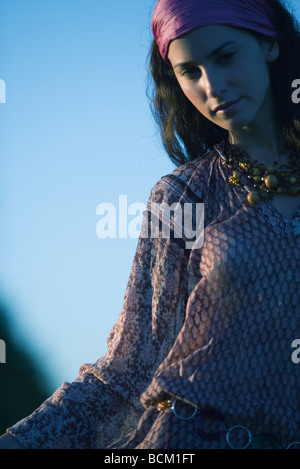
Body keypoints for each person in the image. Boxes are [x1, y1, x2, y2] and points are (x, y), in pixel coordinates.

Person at [1, 0, 300, 449]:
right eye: (189, 71)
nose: (212, 86)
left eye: (224, 56)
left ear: (269, 44)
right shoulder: (184, 196)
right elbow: (127, 370)